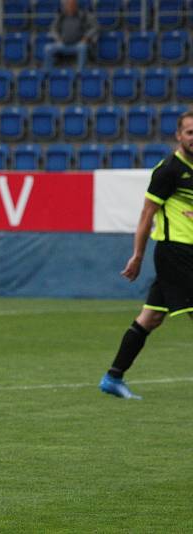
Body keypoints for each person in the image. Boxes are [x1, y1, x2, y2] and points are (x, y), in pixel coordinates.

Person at [99, 110, 193, 400]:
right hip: (174, 252)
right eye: (190, 132)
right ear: (178, 135)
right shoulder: (168, 170)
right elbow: (146, 215)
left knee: (150, 317)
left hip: (187, 252)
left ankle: (113, 377)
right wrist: (137, 256)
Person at [43, 0, 97, 71]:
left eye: (72, 5)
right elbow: (53, 28)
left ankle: (80, 72)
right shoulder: (61, 16)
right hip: (63, 44)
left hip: (78, 44)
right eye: (68, 6)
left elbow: (95, 27)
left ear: (76, 6)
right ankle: (48, 72)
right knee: (48, 48)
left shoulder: (83, 15)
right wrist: (57, 38)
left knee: (83, 48)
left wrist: (86, 37)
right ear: (65, 7)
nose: (70, 7)